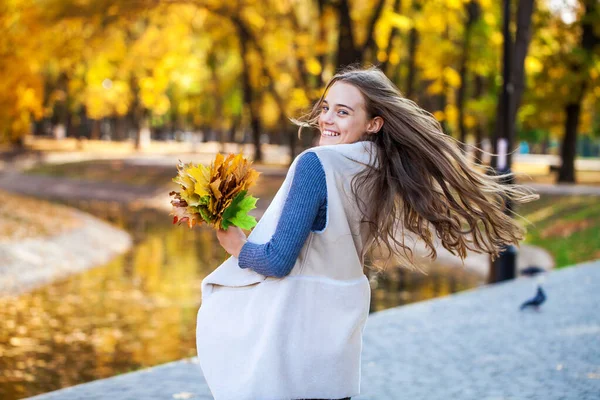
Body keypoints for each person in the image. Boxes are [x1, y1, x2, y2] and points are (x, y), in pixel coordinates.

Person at [196, 66, 538, 400]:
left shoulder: (316, 163)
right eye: (326, 107)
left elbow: (278, 261)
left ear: (374, 123)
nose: (327, 118)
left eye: (343, 112)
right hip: (337, 331)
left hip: (294, 334)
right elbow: (322, 238)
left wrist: (237, 247)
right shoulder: (375, 166)